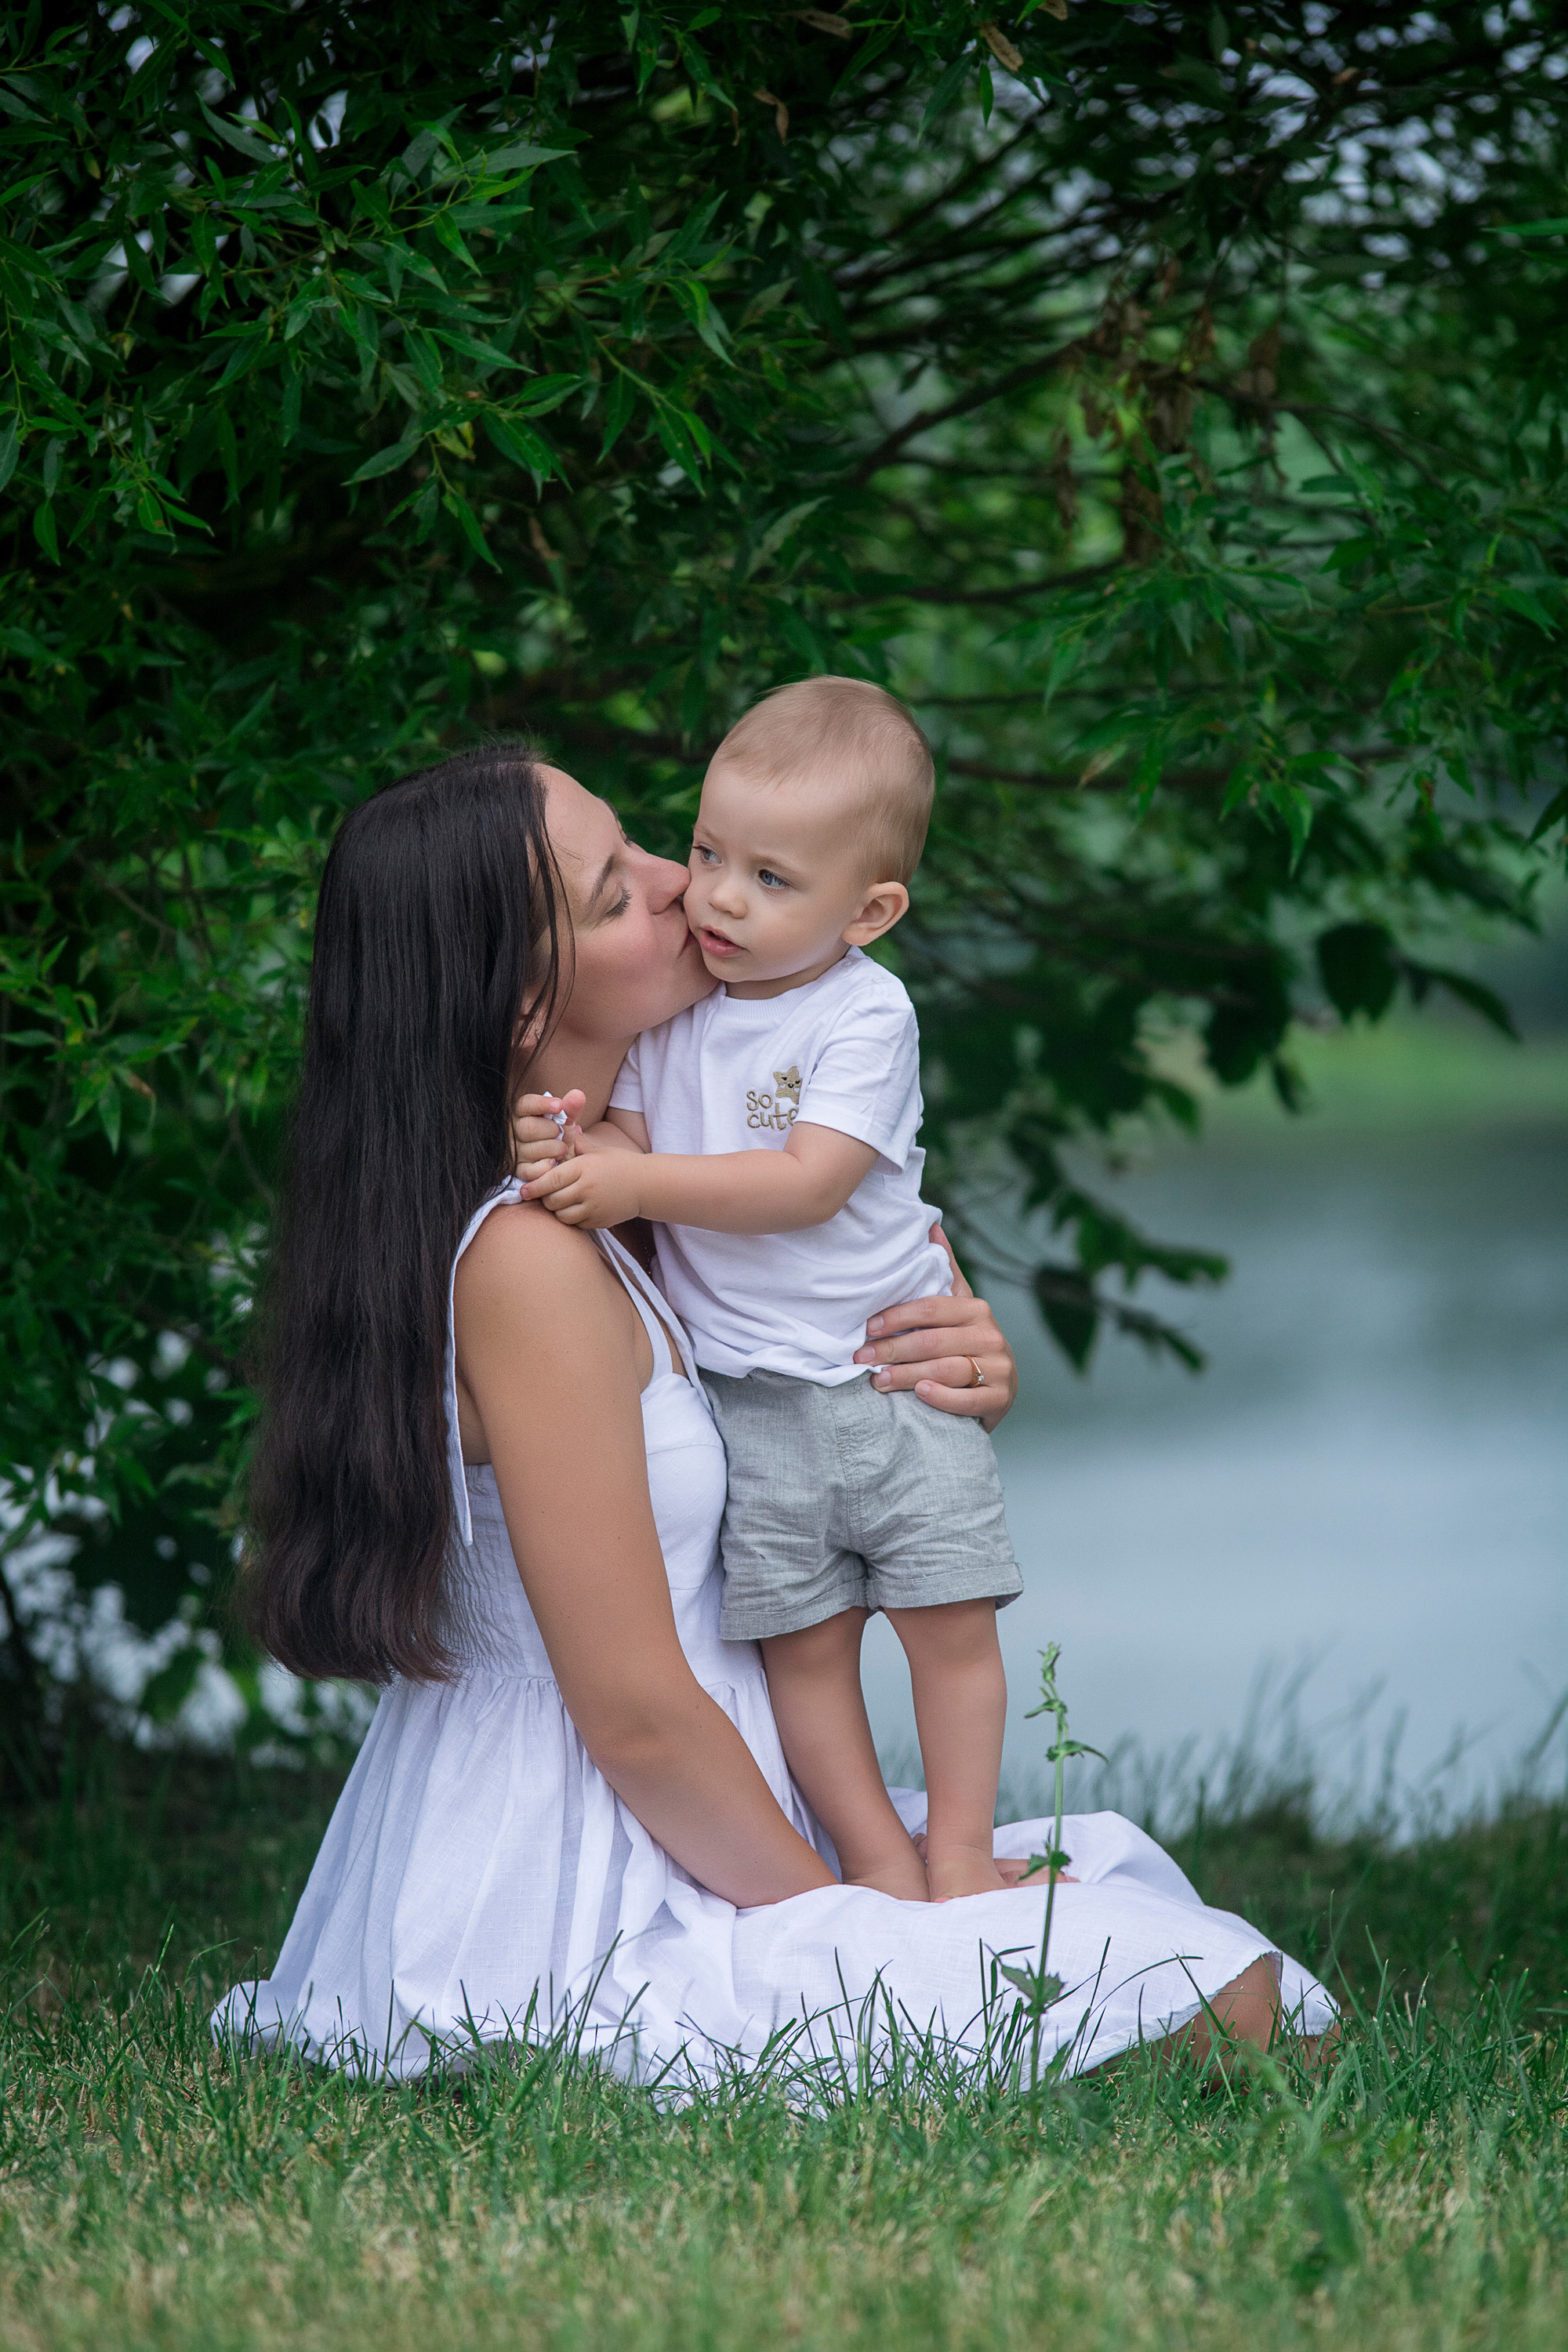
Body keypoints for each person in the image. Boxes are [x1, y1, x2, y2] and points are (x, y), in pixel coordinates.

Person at [216, 743, 1334, 2086]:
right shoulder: (528, 1264)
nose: (679, 887)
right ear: (521, 1003)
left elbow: (832, 1309)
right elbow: (632, 1713)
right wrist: (853, 1918)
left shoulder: (631, 1196)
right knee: (1228, 2002)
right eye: (614, 894)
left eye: (645, 845)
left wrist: (957, 1355)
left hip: (704, 1811)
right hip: (587, 1870)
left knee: (1114, 1884)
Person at [517, 680, 1022, 1905]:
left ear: (873, 912)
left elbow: (809, 1184)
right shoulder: (672, 1032)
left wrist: (624, 1168)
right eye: (704, 853)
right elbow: (624, 1153)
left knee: (951, 1629)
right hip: (759, 1409)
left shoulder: (863, 1013)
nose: (715, 896)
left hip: (883, 1385)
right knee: (805, 1652)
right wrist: (573, 1154)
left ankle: (956, 1853)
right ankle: (875, 1867)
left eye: (769, 879)